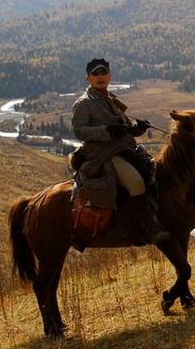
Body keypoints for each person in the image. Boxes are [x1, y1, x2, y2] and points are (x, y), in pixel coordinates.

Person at [71, 58, 171, 244]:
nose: (100, 77)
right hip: (103, 153)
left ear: (109, 75)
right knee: (135, 183)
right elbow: (79, 131)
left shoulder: (110, 98)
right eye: (95, 74)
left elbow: (122, 127)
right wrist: (106, 131)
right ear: (88, 78)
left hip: (123, 149)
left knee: (155, 174)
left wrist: (137, 128)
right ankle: (143, 226)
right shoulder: (84, 103)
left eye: (103, 73)